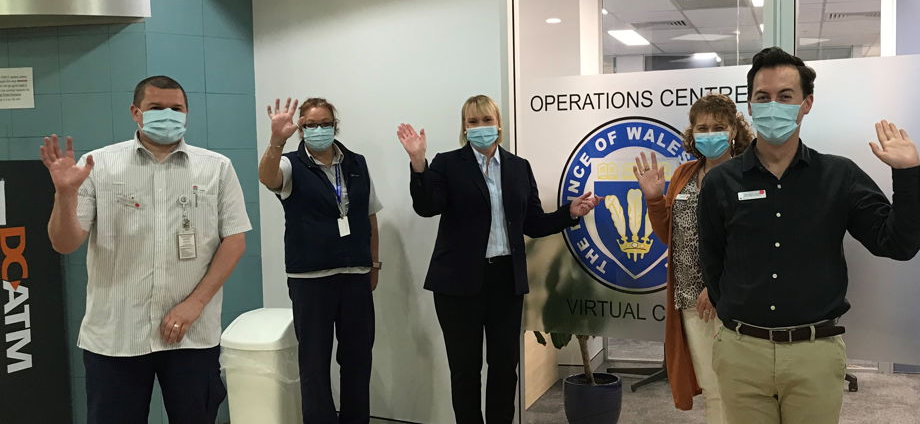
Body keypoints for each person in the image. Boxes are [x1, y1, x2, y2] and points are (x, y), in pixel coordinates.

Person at [697, 47, 920, 424]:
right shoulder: (722, 181)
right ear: (751, 107)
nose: (774, 105)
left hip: (814, 352)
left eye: (785, 97)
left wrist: (907, 175)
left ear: (806, 104)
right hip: (741, 351)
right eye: (763, 97)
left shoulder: (839, 177)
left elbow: (898, 243)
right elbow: (712, 259)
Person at [40, 75, 251, 424]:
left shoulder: (216, 168)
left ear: (187, 113)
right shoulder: (98, 165)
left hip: (191, 336)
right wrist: (65, 194)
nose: (168, 115)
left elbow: (235, 240)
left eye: (176, 108)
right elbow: (65, 243)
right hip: (115, 336)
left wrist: (195, 304)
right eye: (156, 108)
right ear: (136, 112)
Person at [396, 95, 599, 424]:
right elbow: (427, 206)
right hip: (457, 285)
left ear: (499, 124)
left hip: (506, 281)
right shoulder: (447, 164)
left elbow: (532, 222)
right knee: (465, 370)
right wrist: (419, 162)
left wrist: (569, 214)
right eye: (473, 122)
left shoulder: (519, 167)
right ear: (464, 127)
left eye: (486, 120)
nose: (480, 127)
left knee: (505, 368)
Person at [258, 97, 382, 424]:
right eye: (310, 124)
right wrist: (275, 141)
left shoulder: (356, 163)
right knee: (313, 363)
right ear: (301, 128)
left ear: (335, 125)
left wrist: (375, 262)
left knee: (357, 359)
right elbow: (267, 178)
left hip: (355, 274)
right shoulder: (289, 164)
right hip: (310, 279)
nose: (318, 129)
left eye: (324, 122)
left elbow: (369, 217)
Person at [636, 93, 754, 423]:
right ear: (692, 133)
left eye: (718, 126)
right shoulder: (685, 174)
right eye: (702, 127)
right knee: (711, 384)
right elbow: (670, 237)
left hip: (733, 300)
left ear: (733, 130)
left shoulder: (748, 175)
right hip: (690, 300)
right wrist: (655, 200)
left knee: (739, 387)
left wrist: (717, 288)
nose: (709, 133)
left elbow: (751, 243)